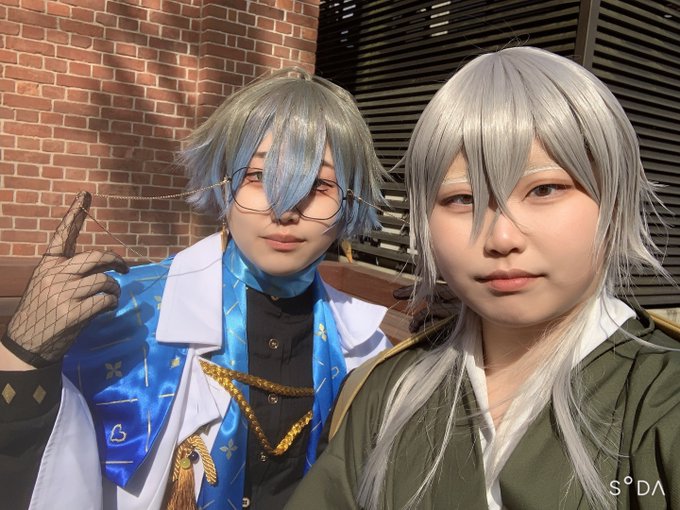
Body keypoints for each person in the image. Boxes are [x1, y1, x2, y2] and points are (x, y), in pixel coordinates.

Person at [286, 46, 680, 509]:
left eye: (545, 189)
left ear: (613, 202)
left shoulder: (663, 401)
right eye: (462, 199)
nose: (501, 237)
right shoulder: (385, 392)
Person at [0, 68, 392, 510]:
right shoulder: (126, 314)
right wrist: (22, 357)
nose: (285, 209)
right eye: (259, 176)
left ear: (351, 200)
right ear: (223, 181)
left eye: (318, 184)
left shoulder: (368, 349)